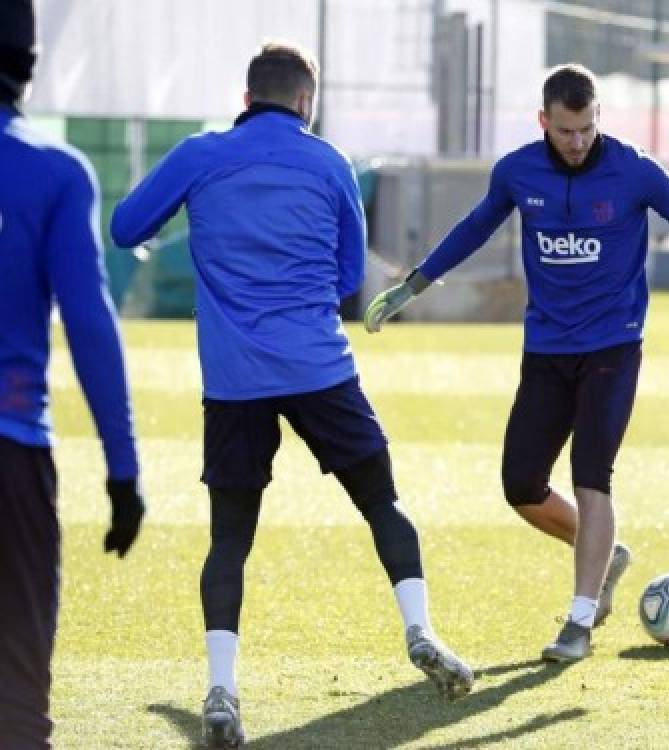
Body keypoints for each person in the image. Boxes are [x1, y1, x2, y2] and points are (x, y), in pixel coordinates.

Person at [110, 42, 473, 747]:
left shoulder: (199, 154)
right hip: (320, 371)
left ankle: (221, 689)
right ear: (307, 102)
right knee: (382, 504)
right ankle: (421, 630)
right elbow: (346, 277)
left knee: (229, 541)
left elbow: (126, 229)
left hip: (234, 379)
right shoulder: (331, 162)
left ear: (246, 99)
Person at [364, 63, 669, 663]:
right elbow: (475, 226)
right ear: (544, 121)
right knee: (520, 485)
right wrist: (413, 284)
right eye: (565, 131)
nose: (578, 141)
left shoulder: (633, 169)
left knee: (593, 475)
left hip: (613, 344)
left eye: (586, 128)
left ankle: (579, 622)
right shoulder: (516, 171)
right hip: (546, 349)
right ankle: (605, 556)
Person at [0, 2, 145, 747]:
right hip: (12, 451)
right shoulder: (54, 172)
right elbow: (90, 326)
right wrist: (123, 471)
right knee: (18, 708)